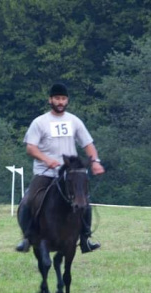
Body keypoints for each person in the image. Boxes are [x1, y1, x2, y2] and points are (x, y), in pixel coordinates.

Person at [16, 82, 105, 254]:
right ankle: (27, 237)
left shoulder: (74, 121)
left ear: (67, 101)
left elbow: (88, 144)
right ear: (50, 100)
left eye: (63, 99)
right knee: (28, 200)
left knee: (84, 202)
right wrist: (46, 159)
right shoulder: (39, 122)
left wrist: (95, 162)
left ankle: (86, 238)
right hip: (45, 172)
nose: (60, 102)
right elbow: (30, 148)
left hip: (70, 173)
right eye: (57, 98)